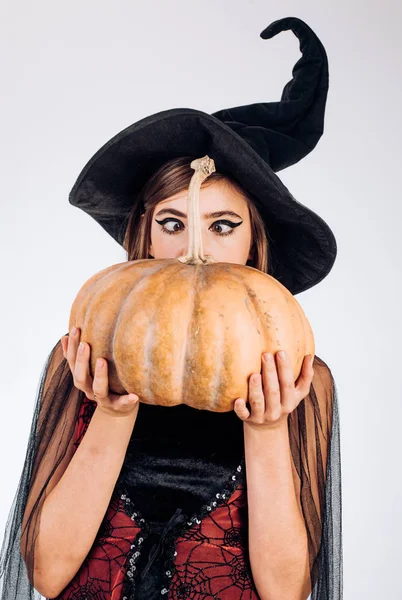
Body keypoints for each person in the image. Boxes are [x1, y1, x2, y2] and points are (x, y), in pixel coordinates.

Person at [0, 16, 343, 600]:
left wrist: (266, 430)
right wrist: (110, 414)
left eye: (223, 225)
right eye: (173, 223)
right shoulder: (84, 361)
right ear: (146, 236)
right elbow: (48, 574)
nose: (195, 249)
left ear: (255, 243)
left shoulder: (295, 380)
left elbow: (287, 591)